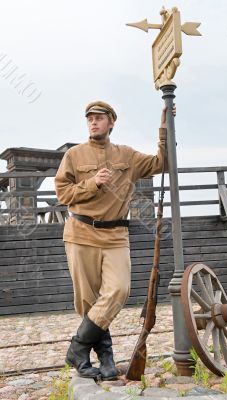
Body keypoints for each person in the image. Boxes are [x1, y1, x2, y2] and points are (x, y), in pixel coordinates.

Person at [54, 100, 176, 380]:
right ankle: (105, 356)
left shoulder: (127, 156)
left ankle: (78, 348)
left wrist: (164, 125)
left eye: (99, 118)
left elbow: (162, 162)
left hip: (116, 235)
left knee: (118, 290)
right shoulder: (74, 155)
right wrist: (92, 183)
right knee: (88, 301)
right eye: (89, 119)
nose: (93, 122)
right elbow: (63, 194)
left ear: (111, 122)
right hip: (81, 233)